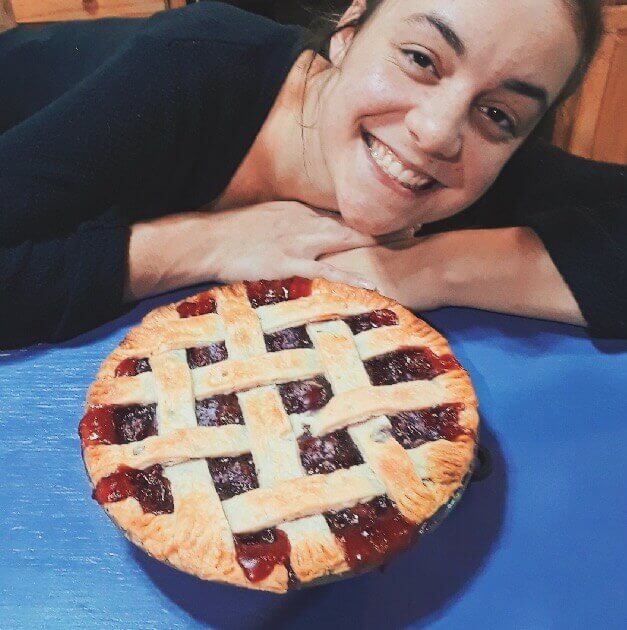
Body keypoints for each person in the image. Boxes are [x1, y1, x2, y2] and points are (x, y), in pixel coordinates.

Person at [0, 0, 625, 349]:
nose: (437, 132)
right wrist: (202, 242)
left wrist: (423, 268)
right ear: (349, 34)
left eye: (500, 113)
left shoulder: (474, 152)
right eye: (419, 59)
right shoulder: (192, 67)